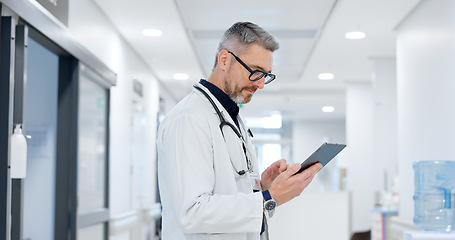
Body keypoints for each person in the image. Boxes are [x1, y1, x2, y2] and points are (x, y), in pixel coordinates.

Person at [157, 21, 322, 240]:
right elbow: (192, 212)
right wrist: (270, 197)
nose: (261, 84)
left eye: (266, 75)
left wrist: (263, 187)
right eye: (256, 72)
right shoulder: (189, 118)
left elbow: (227, 194)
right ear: (224, 60)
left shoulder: (232, 117)